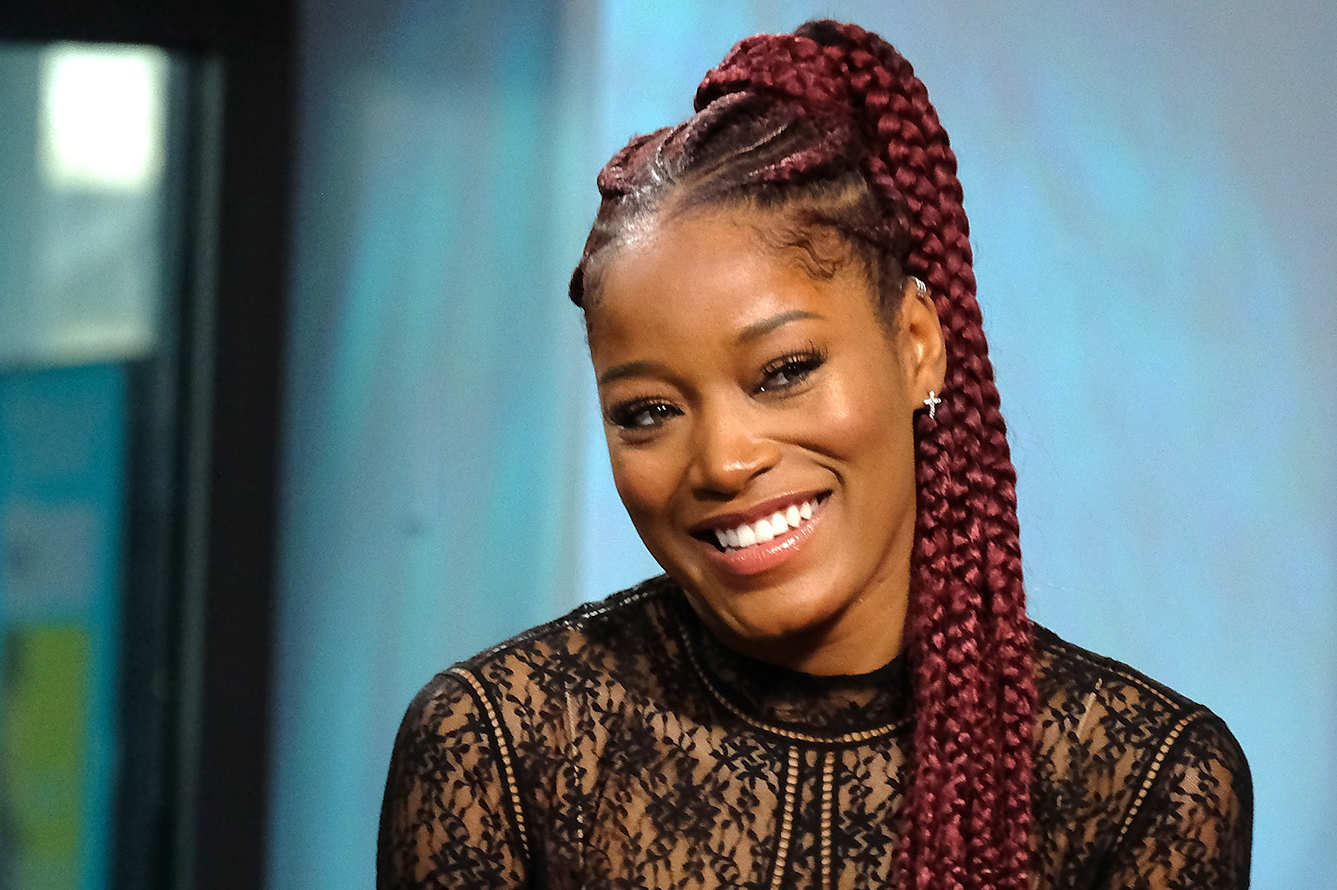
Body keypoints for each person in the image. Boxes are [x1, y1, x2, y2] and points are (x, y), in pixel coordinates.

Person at [377, 19, 1251, 890]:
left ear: (916, 345)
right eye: (647, 411)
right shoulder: (496, 752)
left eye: (784, 371)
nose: (723, 462)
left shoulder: (1145, 786)